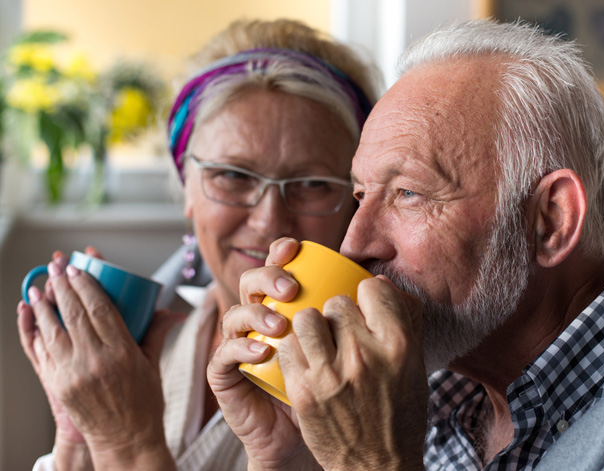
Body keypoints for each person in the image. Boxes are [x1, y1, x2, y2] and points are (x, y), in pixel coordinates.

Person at [208, 18, 604, 470]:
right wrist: (297, 458)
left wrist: (373, 463)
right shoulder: (441, 396)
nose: (354, 245)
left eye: (409, 194)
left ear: (550, 221)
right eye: (360, 195)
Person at [16, 18, 379, 470]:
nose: (270, 220)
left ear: (354, 200)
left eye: (311, 183)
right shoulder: (146, 352)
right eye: (232, 175)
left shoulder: (373, 394)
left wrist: (124, 441)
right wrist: (76, 436)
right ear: (185, 188)